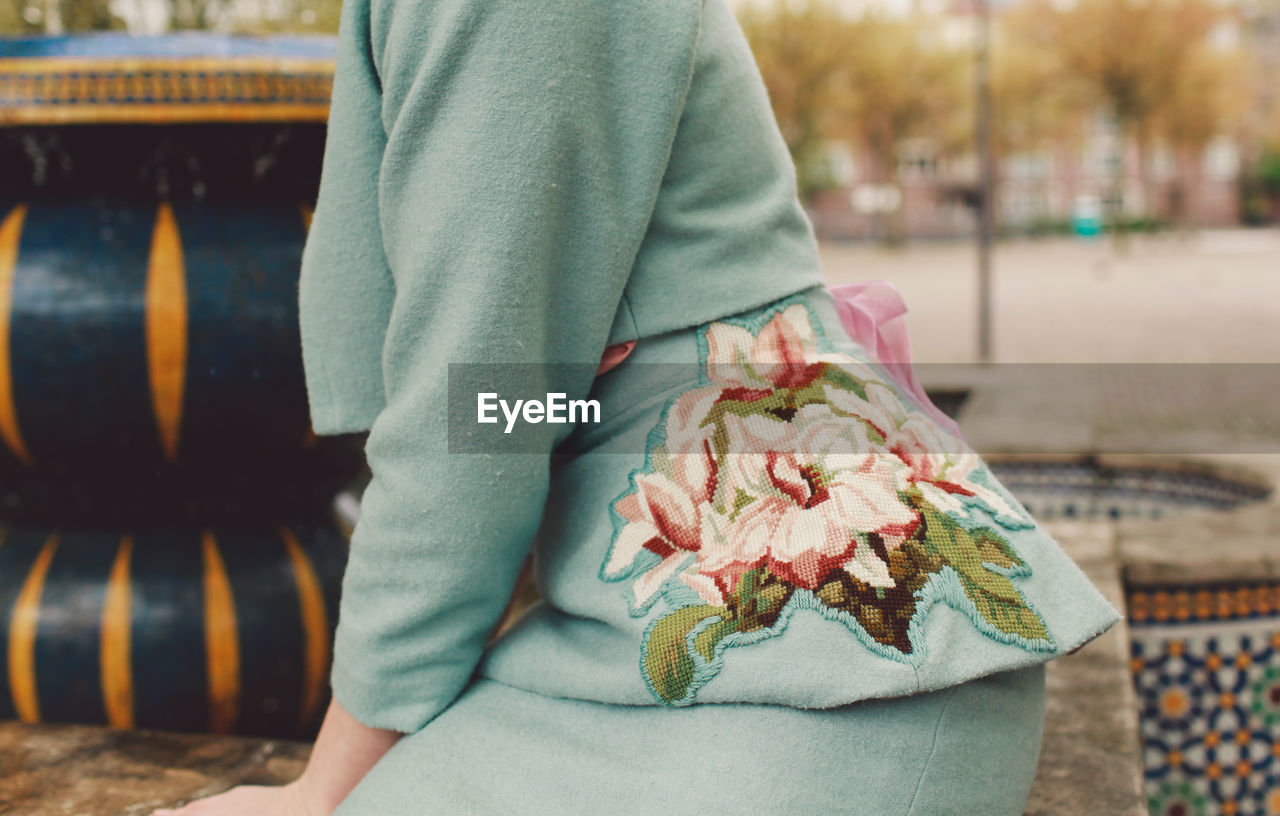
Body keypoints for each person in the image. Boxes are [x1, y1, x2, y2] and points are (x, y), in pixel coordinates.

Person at [153, 0, 1121, 812]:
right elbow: (514, 408)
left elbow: (470, 431)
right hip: (714, 658)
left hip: (822, 702)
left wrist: (319, 795)